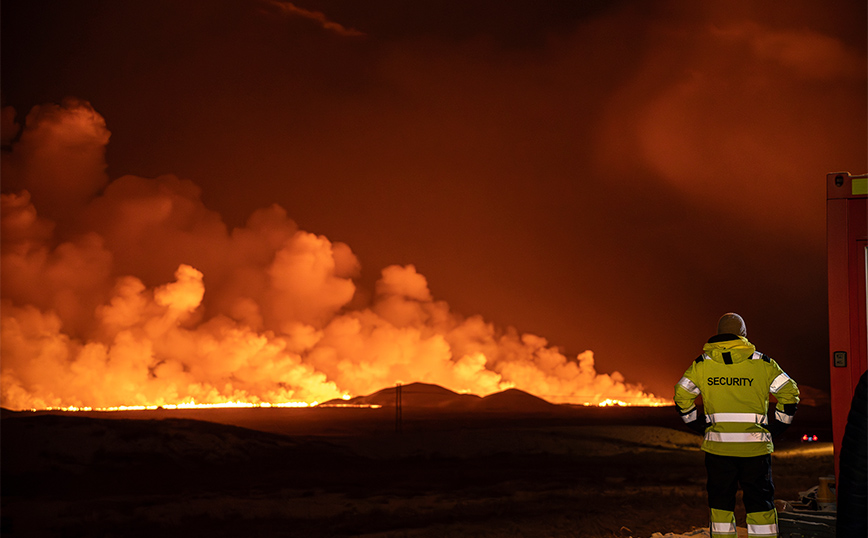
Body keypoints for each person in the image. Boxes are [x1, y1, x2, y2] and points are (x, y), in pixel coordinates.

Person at [674, 313, 800, 538]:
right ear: (743, 335)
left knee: (720, 504)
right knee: (760, 504)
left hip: (718, 449)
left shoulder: (702, 364)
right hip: (755, 449)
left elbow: (681, 394)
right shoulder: (763, 364)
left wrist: (695, 422)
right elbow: (790, 393)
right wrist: (779, 426)